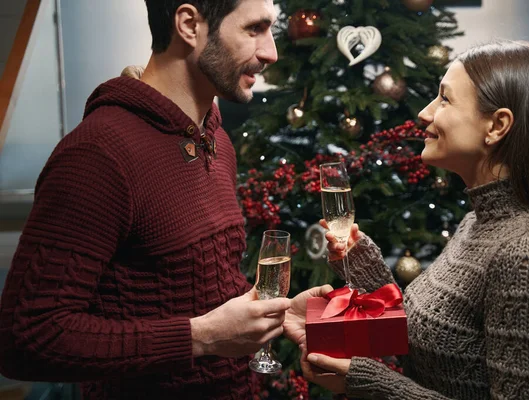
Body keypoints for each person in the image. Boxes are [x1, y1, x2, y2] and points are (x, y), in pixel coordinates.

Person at [0, 1, 331, 399]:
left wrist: (274, 314)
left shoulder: (215, 141)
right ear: (189, 25)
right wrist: (200, 338)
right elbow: (26, 338)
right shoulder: (98, 154)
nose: (271, 51)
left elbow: (195, 293)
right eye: (253, 29)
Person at [301, 40, 529, 399]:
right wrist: (364, 267)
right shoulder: (477, 223)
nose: (425, 113)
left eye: (445, 99)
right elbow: (439, 335)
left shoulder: (527, 252)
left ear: (497, 125)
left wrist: (372, 383)